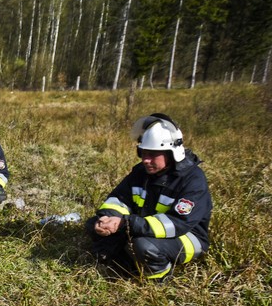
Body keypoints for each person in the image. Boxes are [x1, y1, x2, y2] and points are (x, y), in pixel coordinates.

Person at [86, 113, 212, 281]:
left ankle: (158, 279)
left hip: (188, 236)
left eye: (153, 154)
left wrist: (126, 223)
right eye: (143, 153)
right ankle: (121, 263)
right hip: (146, 227)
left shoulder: (192, 180)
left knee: (144, 246)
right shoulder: (140, 172)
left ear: (171, 153)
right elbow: (119, 199)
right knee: (93, 224)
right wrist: (109, 218)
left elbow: (177, 223)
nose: (145, 160)